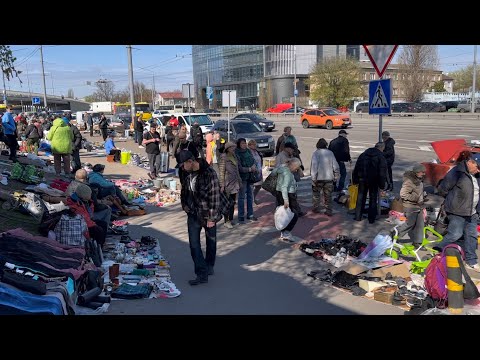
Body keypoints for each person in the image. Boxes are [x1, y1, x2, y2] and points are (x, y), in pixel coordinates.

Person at [179, 150, 221, 285]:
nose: (182, 167)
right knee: (194, 245)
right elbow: (184, 191)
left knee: (211, 242)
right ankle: (201, 273)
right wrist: (184, 205)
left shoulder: (209, 173)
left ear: (190, 162)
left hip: (207, 214)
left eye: (183, 164)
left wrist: (211, 218)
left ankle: (209, 266)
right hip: (193, 214)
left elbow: (215, 197)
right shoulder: (187, 173)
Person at [436, 152, 480, 272]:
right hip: (457, 211)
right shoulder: (457, 172)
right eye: (478, 167)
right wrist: (454, 202)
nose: (478, 170)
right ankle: (437, 250)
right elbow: (443, 189)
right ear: (470, 162)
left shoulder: (476, 176)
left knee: (471, 237)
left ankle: (471, 261)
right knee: (455, 234)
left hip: (472, 212)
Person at [352, 142, 388, 224]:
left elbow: (357, 167)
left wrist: (355, 180)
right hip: (374, 180)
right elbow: (382, 172)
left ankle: (358, 216)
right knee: (373, 199)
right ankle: (371, 219)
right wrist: (382, 185)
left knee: (360, 197)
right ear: (381, 148)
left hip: (362, 179)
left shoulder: (364, 154)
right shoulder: (380, 157)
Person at [392, 163, 427, 246]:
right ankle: (394, 234)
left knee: (420, 225)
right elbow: (403, 194)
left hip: (418, 206)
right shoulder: (409, 181)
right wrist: (416, 198)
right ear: (417, 172)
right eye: (422, 172)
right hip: (410, 207)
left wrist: (422, 196)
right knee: (409, 224)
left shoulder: (419, 180)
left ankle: (417, 242)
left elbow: (418, 192)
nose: (424, 174)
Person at [270, 158, 302, 242]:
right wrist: (286, 200)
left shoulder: (283, 168)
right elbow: (284, 187)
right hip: (288, 195)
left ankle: (284, 231)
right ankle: (286, 232)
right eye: (297, 167)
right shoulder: (288, 174)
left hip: (279, 193)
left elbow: (273, 172)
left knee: (285, 213)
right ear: (293, 165)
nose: (297, 169)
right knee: (294, 214)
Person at [310, 138, 340, 216]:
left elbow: (314, 166)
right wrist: (336, 175)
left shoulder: (316, 153)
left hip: (318, 178)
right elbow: (335, 165)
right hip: (329, 178)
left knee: (316, 194)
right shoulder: (330, 153)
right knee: (328, 195)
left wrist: (313, 178)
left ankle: (316, 208)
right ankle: (328, 210)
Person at [218, 141, 242, 229]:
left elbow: (237, 170)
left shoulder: (234, 156)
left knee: (232, 202)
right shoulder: (224, 157)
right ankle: (226, 221)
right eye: (232, 148)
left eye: (234, 148)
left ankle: (231, 219)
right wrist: (222, 185)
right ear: (228, 149)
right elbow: (221, 172)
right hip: (227, 184)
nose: (233, 149)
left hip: (234, 183)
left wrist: (239, 181)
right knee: (227, 203)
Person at [235, 138, 257, 223]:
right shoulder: (237, 153)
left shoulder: (248, 151)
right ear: (239, 144)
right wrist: (249, 169)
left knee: (250, 196)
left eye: (245, 143)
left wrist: (254, 166)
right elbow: (239, 168)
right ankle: (241, 216)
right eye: (242, 143)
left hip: (250, 177)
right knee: (241, 197)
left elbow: (253, 160)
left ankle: (250, 214)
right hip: (242, 178)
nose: (244, 145)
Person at [248, 139, 263, 205]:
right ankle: (251, 200)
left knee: (259, 185)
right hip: (253, 171)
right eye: (253, 144)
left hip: (259, 171)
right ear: (249, 145)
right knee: (252, 186)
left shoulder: (257, 151)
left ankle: (254, 197)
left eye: (255, 144)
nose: (255, 146)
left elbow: (260, 159)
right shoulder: (248, 152)